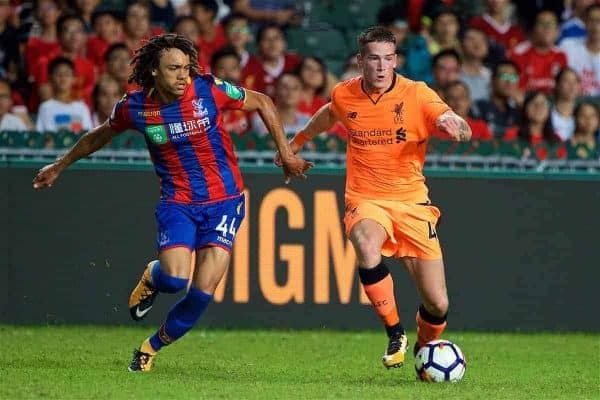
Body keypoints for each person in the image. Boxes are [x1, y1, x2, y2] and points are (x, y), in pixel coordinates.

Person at [31, 34, 312, 372]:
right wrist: (60, 164)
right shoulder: (134, 107)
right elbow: (101, 134)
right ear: (153, 72)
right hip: (178, 202)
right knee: (175, 279)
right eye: (174, 69)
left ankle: (150, 347)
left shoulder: (208, 88)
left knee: (202, 292)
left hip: (225, 202)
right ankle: (153, 275)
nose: (183, 76)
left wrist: (286, 153)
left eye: (186, 68)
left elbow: (264, 102)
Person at [276, 26, 472, 369]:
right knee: (366, 244)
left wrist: (454, 123)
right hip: (366, 197)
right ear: (360, 60)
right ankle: (395, 332)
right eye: (374, 59)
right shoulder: (345, 94)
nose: (382, 67)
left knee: (438, 304)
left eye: (388, 59)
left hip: (412, 202)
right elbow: (330, 113)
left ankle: (423, 352)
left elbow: (449, 118)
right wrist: (297, 142)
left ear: (396, 60)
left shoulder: (417, 94)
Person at [36, 57, 93, 133]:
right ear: (50, 78)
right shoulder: (45, 107)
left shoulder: (82, 108)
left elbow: (88, 135)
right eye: (58, 73)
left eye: (67, 74)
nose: (63, 77)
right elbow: (42, 136)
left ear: (74, 79)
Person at [551, 67, 581, 141]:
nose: (572, 86)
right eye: (566, 81)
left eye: (575, 82)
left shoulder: (584, 114)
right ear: (557, 85)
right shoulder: (546, 113)